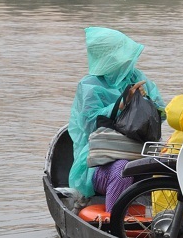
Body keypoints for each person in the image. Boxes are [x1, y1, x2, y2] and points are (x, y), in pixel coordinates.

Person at [68, 27, 165, 211]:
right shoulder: (89, 86)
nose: (126, 60)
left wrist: (146, 102)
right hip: (100, 161)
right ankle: (113, 222)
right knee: (123, 168)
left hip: (139, 151)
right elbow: (89, 124)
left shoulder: (138, 78)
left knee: (168, 166)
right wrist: (121, 105)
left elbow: (161, 116)